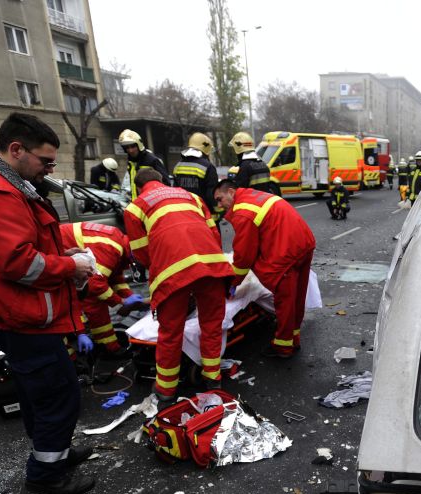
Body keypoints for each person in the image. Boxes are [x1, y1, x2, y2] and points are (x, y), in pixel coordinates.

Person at [0, 112, 97, 494]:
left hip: (10, 311)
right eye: (45, 161)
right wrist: (72, 265)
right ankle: (46, 473)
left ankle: (55, 454)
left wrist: (63, 256)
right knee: (58, 392)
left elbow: (24, 246)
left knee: (41, 389)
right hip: (18, 314)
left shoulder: (4, 184)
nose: (50, 169)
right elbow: (18, 262)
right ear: (16, 150)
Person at [123, 170, 233, 403]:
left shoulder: (135, 208)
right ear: (162, 181)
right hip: (210, 263)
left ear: (139, 187)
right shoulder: (190, 196)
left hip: (172, 271)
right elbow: (214, 232)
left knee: (171, 332)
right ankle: (212, 378)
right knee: (212, 324)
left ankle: (166, 389)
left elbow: (142, 254)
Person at [214, 180, 315, 359]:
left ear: (231, 191)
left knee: (284, 301)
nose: (219, 205)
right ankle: (294, 338)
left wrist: (232, 282)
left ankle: (283, 346)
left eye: (220, 199)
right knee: (296, 297)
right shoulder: (253, 196)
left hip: (285, 252)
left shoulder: (243, 212)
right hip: (303, 244)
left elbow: (244, 256)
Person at [59, 221, 146, 356]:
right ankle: (107, 346)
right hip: (57, 256)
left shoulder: (119, 245)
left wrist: (127, 295)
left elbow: (114, 277)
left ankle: (102, 343)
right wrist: (121, 302)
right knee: (95, 302)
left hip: (63, 252)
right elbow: (95, 285)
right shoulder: (111, 248)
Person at [173, 132, 218, 213]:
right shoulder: (208, 166)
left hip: (184, 212)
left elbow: (175, 192)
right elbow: (211, 194)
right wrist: (217, 211)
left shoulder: (178, 166)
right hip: (203, 212)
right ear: (206, 148)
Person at [118, 129, 167, 200]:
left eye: (132, 147)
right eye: (127, 148)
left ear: (139, 145)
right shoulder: (131, 162)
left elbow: (166, 182)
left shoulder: (152, 160)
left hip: (152, 202)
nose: (130, 150)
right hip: (138, 202)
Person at [228, 131, 281, 196]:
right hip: (263, 203)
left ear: (238, 149)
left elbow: (240, 192)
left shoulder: (244, 168)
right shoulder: (264, 165)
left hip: (250, 204)